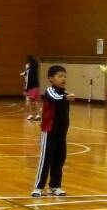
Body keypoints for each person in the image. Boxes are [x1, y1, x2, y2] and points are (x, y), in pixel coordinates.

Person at [32, 65, 76, 197]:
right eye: (60, 76)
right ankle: (38, 187)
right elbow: (55, 99)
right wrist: (65, 98)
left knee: (59, 159)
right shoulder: (50, 91)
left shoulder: (65, 93)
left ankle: (54, 186)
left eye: (65, 76)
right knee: (45, 159)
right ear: (51, 78)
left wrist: (66, 97)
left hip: (61, 132)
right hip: (49, 131)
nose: (63, 79)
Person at [21, 55, 41, 120]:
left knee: (30, 101)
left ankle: (31, 115)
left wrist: (25, 90)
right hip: (37, 87)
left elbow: (28, 81)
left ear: (29, 63)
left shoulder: (29, 70)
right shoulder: (35, 68)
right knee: (36, 101)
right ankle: (38, 115)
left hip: (31, 88)